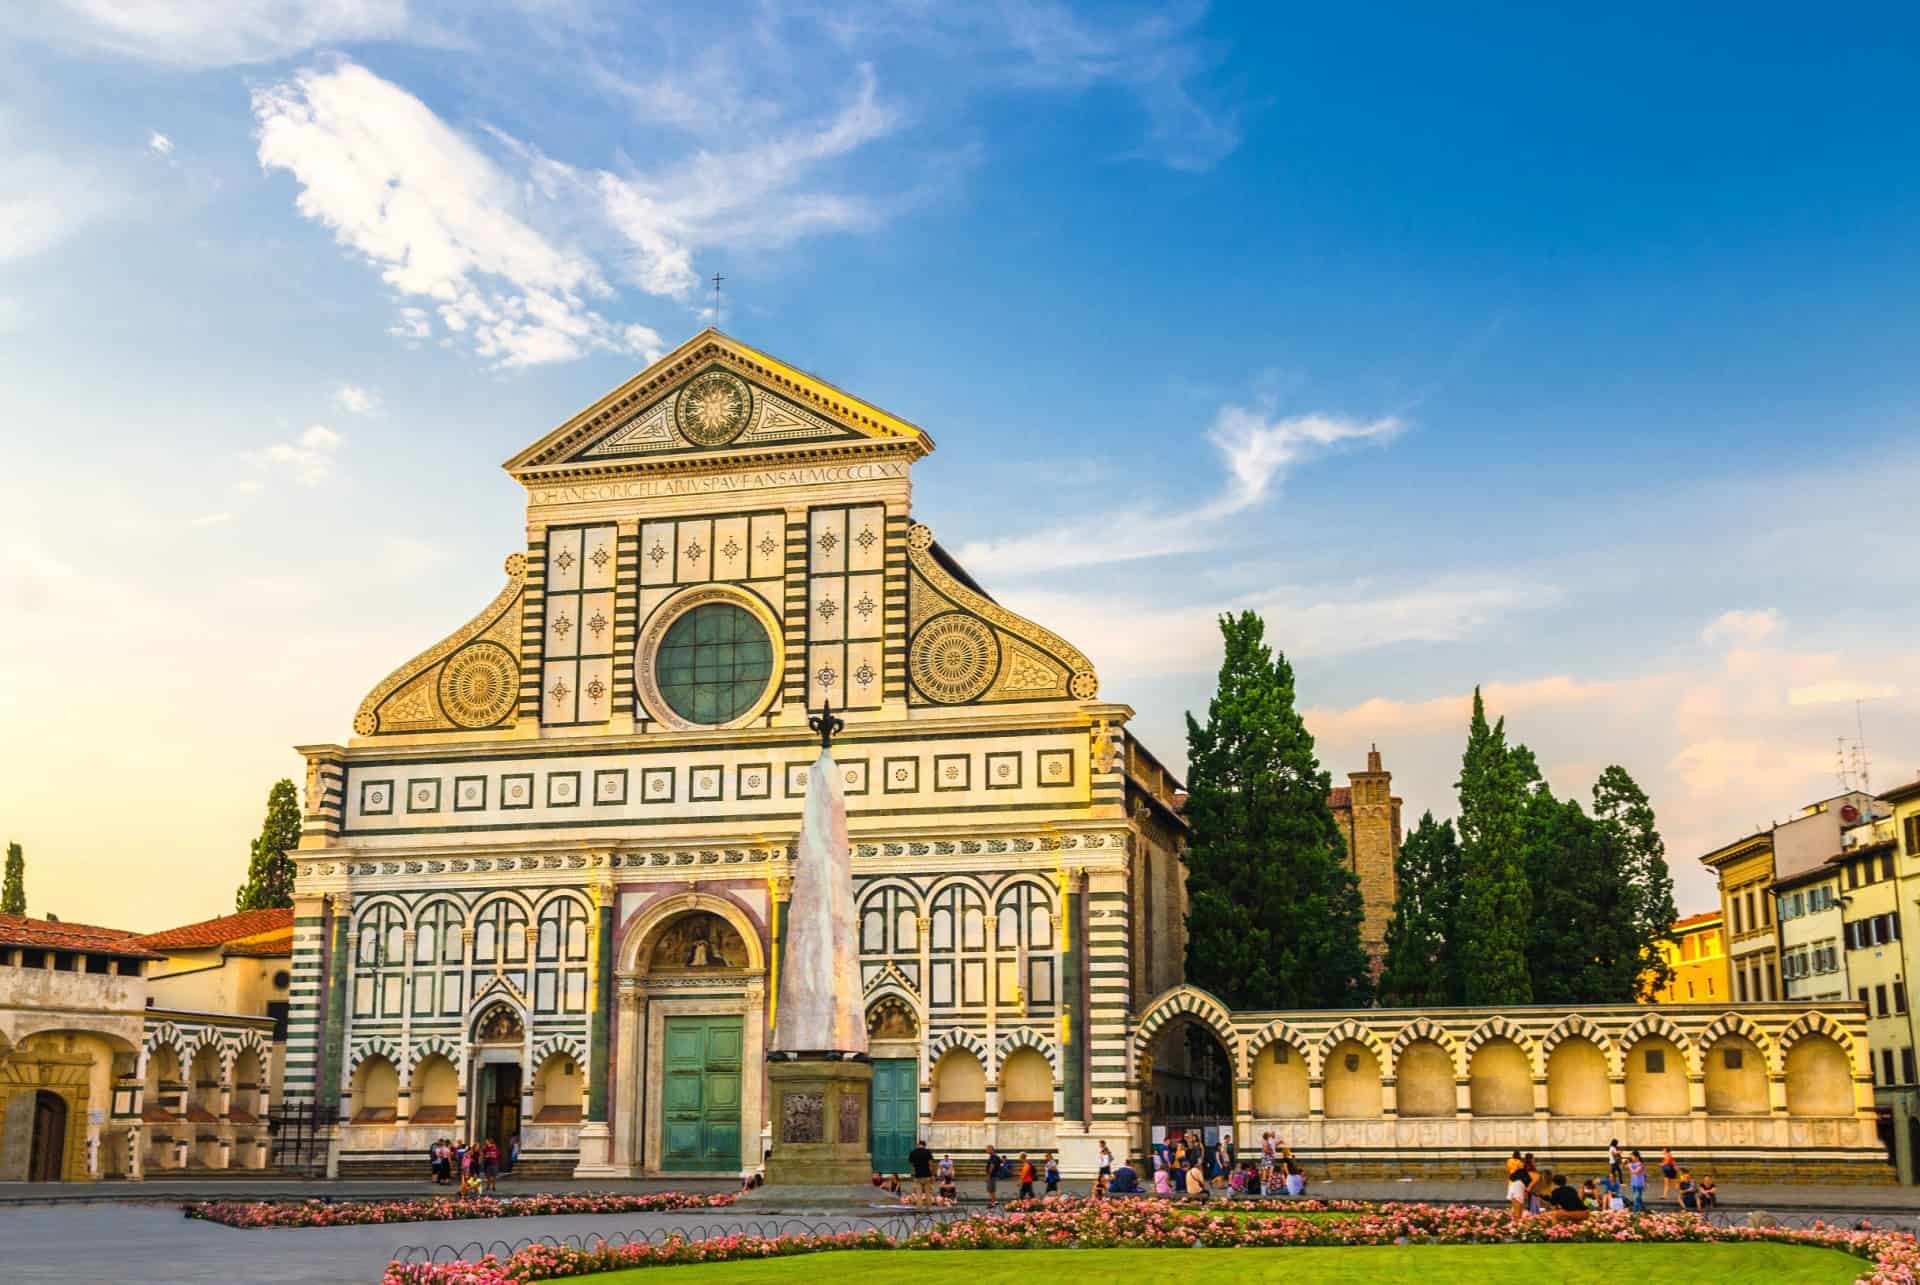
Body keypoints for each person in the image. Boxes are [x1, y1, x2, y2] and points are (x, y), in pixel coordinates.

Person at [1627, 1149, 1647, 1214]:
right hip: (1634, 1183)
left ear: (1637, 1157)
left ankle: (1635, 1212)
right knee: (1638, 1198)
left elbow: (1635, 1172)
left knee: (1636, 1198)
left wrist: (1630, 1167)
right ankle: (1644, 1209)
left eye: (1632, 1156)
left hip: (1639, 1184)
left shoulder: (1641, 1164)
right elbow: (1630, 1171)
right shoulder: (1632, 1164)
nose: (1631, 1158)